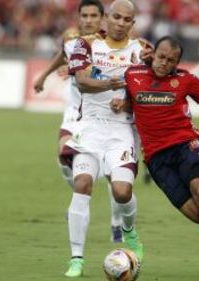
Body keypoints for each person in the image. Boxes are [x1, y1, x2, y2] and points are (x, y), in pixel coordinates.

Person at [111, 36, 199, 279]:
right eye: (161, 57)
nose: (164, 63)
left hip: (186, 145)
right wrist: (120, 105)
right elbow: (131, 103)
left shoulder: (185, 80)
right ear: (153, 53)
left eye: (171, 60)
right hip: (156, 158)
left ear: (177, 62)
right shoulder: (132, 74)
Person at [60, 0, 152, 277]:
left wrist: (126, 103)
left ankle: (129, 230)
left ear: (132, 24)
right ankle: (76, 258)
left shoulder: (142, 51)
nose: (121, 23)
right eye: (116, 17)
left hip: (122, 129)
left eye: (127, 19)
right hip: (89, 128)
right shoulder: (84, 46)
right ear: (106, 19)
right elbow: (83, 83)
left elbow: (149, 90)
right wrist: (113, 84)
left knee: (122, 192)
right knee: (83, 184)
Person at [33, 0, 124, 244]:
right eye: (85, 15)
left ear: (103, 18)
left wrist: (82, 72)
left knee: (114, 175)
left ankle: (116, 222)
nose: (89, 20)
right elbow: (63, 55)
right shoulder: (72, 40)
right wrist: (44, 75)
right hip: (75, 115)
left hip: (105, 116)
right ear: (78, 17)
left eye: (94, 16)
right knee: (64, 157)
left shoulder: (111, 43)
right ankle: (79, 199)